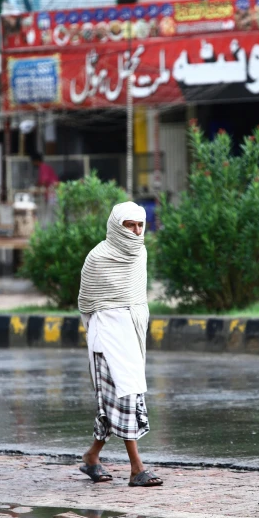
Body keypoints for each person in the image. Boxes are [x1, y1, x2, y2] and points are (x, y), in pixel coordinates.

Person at [77, 201, 163, 488]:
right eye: (130, 225)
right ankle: (136, 468)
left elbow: (137, 298)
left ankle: (91, 457)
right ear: (117, 226)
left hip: (132, 334)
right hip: (106, 336)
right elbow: (87, 303)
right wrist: (100, 333)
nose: (137, 231)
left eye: (141, 225)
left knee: (120, 401)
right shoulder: (97, 257)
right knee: (123, 399)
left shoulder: (141, 254)